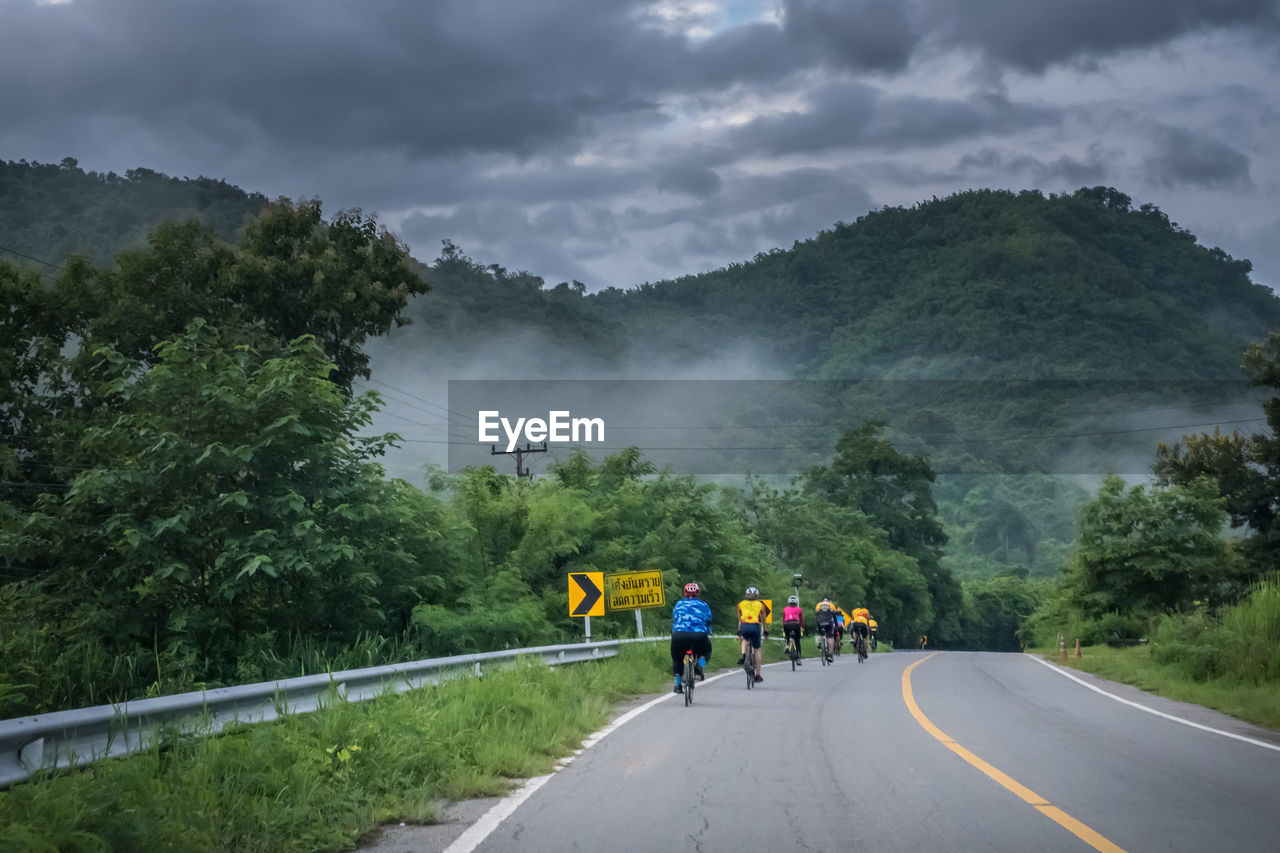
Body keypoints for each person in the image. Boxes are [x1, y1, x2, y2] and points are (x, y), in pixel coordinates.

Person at [671, 582, 712, 694]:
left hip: (679, 635)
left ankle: (677, 685)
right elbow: (708, 621)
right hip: (699, 635)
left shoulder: (678, 604)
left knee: (677, 659)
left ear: (685, 593)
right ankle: (699, 665)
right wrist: (708, 631)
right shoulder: (704, 605)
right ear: (698, 593)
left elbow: (675, 618)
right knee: (706, 651)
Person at [736, 586, 770, 683]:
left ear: (746, 595)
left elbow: (740, 618)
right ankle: (758, 675)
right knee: (757, 649)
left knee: (745, 639)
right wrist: (765, 632)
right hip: (755, 626)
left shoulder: (740, 604)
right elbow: (763, 619)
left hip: (744, 625)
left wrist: (739, 631)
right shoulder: (760, 604)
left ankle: (743, 655)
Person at [782, 594, 804, 665]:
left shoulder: (785, 609)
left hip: (787, 624)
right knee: (797, 641)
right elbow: (801, 620)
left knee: (787, 636)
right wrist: (802, 627)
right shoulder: (799, 609)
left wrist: (783, 626)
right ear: (796, 602)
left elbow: (783, 619)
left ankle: (787, 645)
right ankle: (798, 657)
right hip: (796, 624)